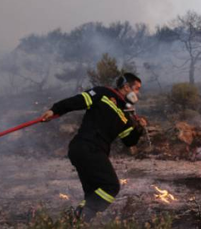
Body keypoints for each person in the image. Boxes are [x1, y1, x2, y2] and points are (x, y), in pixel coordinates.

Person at [41, 73, 146, 222]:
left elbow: (129, 141)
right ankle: (78, 219)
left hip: (93, 151)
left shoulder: (125, 114)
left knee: (93, 194)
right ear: (126, 86)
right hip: (86, 146)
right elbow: (77, 101)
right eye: (136, 88)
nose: (138, 93)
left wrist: (139, 129)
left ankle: (76, 222)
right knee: (111, 186)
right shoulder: (103, 93)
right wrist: (55, 110)